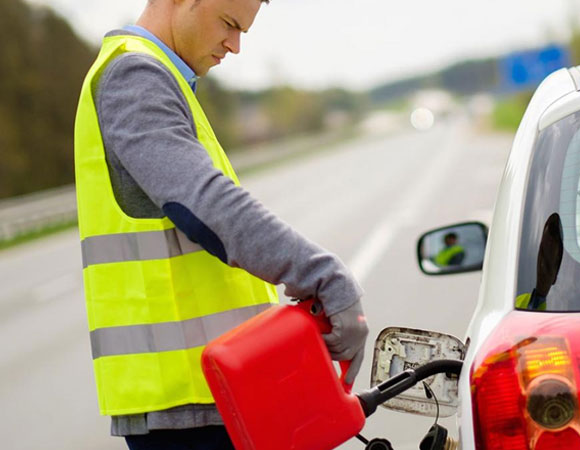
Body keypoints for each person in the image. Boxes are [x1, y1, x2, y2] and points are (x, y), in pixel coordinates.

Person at [73, 0, 368, 448]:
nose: (235, 46)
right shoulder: (135, 78)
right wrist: (321, 273)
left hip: (215, 391)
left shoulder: (159, 77)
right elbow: (205, 204)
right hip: (186, 406)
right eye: (229, 24)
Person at [516, 213, 564, 311]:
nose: (541, 265)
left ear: (556, 273)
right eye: (541, 253)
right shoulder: (517, 302)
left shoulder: (559, 308)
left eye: (547, 263)